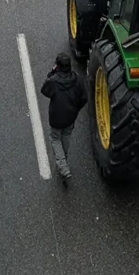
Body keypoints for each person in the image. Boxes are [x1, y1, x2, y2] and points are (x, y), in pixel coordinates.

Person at [40, 53, 87, 184]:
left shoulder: (54, 81)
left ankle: (63, 167)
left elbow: (44, 90)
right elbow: (84, 98)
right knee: (66, 137)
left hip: (56, 118)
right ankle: (63, 161)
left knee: (55, 139)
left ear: (58, 66)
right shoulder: (77, 79)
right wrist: (76, 109)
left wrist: (51, 73)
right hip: (71, 117)